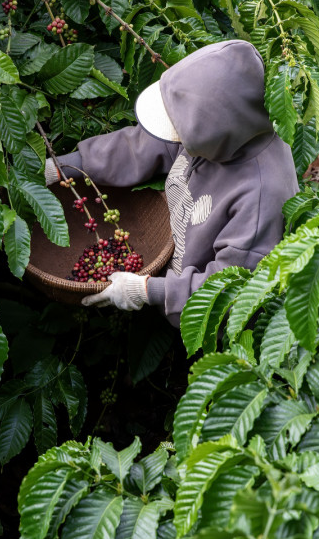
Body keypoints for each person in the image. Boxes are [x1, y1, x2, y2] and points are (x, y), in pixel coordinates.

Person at [45, 40, 299, 326]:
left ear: (215, 135)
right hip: (169, 269)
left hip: (198, 324)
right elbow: (142, 146)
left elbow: (233, 288)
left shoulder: (262, 195)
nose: (174, 135)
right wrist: (68, 166)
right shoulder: (221, 127)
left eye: (181, 131)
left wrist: (147, 291)